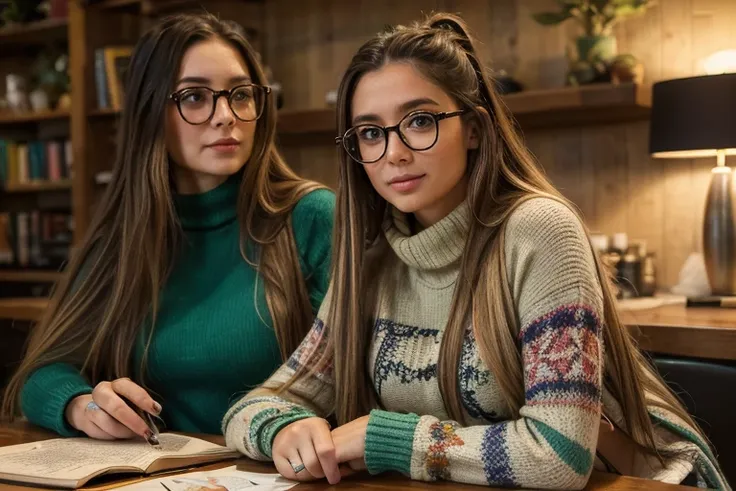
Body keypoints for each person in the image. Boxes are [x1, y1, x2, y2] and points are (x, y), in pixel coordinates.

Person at [221, 13, 729, 490]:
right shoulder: (371, 260)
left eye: (420, 121)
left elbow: (560, 455)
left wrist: (388, 439)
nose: (393, 152)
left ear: (475, 129)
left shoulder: (539, 231)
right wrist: (283, 428)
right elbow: (253, 407)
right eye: (371, 133)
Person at [1, 13, 334, 442]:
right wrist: (82, 404)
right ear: (150, 111)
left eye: (241, 94)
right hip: (149, 476)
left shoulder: (311, 217)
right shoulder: (121, 237)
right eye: (195, 97)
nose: (225, 115)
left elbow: (348, 378)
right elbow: (43, 373)